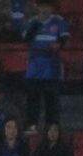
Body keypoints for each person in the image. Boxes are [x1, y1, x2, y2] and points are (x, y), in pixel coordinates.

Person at [22, 0, 70, 130]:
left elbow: (64, 38)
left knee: (52, 102)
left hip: (52, 69)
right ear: (37, 7)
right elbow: (26, 38)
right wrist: (38, 22)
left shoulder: (59, 21)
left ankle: (52, 129)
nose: (45, 9)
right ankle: (32, 126)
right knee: (33, 101)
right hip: (34, 69)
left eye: (48, 6)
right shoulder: (32, 22)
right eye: (42, 6)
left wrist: (58, 45)